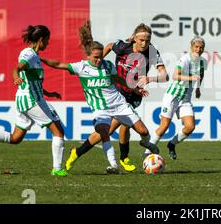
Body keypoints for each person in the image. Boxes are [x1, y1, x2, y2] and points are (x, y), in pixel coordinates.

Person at [40, 20, 160, 174]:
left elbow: (119, 79)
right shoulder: (81, 67)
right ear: (89, 56)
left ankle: (78, 152)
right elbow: (58, 64)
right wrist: (40, 60)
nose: (99, 60)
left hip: (119, 104)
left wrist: (136, 89)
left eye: (100, 57)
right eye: (96, 57)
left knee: (143, 132)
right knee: (105, 132)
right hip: (100, 108)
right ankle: (116, 163)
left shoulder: (108, 66)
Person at [0, 25, 68, 176]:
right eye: (47, 40)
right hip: (31, 101)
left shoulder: (35, 56)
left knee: (16, 138)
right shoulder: (29, 54)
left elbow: (32, 81)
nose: (48, 43)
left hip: (26, 99)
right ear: (41, 39)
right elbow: (16, 68)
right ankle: (57, 169)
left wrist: (49, 93)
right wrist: (16, 77)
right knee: (59, 132)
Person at [144, 36, 207, 159]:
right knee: (164, 126)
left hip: (185, 99)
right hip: (173, 96)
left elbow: (201, 74)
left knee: (190, 127)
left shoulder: (202, 62)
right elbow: (175, 76)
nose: (198, 50)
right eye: (196, 47)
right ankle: (147, 152)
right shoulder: (185, 59)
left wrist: (198, 89)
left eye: (201, 47)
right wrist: (191, 78)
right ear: (191, 47)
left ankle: (171, 144)